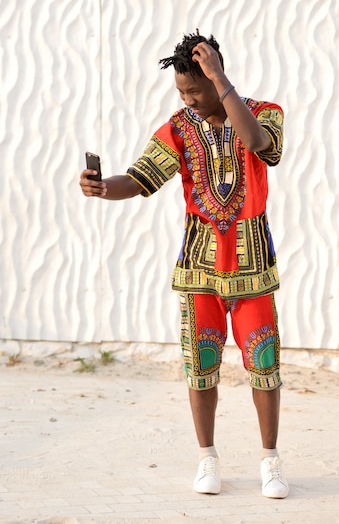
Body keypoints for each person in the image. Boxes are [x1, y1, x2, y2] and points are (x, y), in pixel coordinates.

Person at [79, 31, 289, 499]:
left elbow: (258, 144)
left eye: (195, 90)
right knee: (201, 365)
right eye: (182, 92)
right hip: (199, 268)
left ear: (217, 79)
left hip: (253, 266)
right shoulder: (179, 128)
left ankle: (270, 462)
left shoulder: (266, 113)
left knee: (265, 363)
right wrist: (103, 187)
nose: (189, 100)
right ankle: (207, 458)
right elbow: (140, 177)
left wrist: (220, 77)